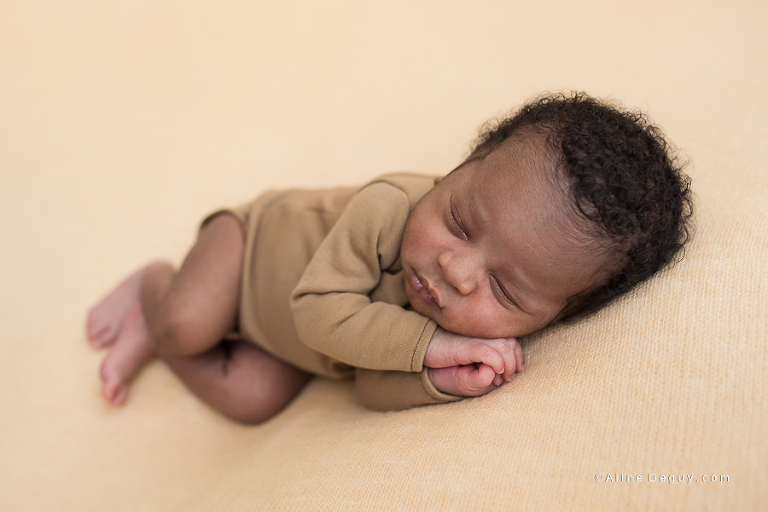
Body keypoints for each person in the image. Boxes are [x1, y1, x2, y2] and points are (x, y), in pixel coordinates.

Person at [85, 92, 692, 424]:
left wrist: (441, 380)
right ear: (453, 171)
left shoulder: (462, 325)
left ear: (553, 318)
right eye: (458, 219)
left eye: (504, 291)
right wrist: (436, 347)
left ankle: (156, 329)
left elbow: (369, 385)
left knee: (253, 401)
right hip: (248, 248)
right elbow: (319, 313)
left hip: (285, 341)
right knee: (187, 325)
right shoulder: (389, 207)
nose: (455, 270)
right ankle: (155, 286)